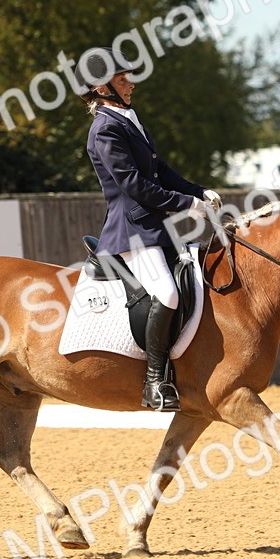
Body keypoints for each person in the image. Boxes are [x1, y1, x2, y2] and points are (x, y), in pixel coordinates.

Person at [79, 47, 222, 411]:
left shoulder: (127, 119)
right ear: (100, 86)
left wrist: (197, 190)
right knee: (168, 294)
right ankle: (155, 381)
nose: (130, 83)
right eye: (122, 78)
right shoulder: (105, 128)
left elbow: (161, 172)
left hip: (154, 227)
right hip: (131, 231)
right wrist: (187, 205)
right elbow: (134, 186)